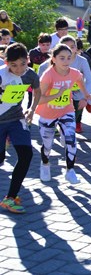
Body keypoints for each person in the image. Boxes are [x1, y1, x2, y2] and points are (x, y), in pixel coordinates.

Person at [36, 44, 91, 184]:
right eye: (62, 58)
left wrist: (86, 95)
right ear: (54, 59)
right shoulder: (48, 75)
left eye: (69, 58)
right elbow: (39, 99)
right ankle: (45, 165)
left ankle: (70, 170)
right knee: (48, 144)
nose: (66, 61)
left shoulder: (74, 73)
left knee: (71, 139)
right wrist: (59, 94)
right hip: (48, 113)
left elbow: (80, 81)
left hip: (66, 111)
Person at [0, 43, 40, 213]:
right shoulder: (1, 75)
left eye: (23, 64)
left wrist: (31, 109)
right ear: (6, 62)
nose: (18, 69)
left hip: (17, 119)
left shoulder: (30, 74)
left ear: (28, 60)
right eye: (13, 65)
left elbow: (37, 91)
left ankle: (10, 198)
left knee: (26, 154)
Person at [37, 36, 91, 134]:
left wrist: (85, 98)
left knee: (70, 123)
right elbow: (39, 81)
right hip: (55, 95)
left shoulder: (82, 61)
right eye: (66, 47)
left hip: (76, 95)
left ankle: (69, 131)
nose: (69, 50)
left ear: (76, 48)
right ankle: (52, 124)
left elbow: (89, 81)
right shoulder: (47, 64)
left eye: (72, 47)